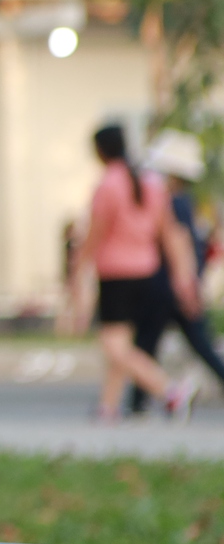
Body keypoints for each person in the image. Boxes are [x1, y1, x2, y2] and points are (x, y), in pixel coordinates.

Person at [67, 123, 196, 422]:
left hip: (117, 275)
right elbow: (168, 234)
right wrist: (182, 277)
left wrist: (78, 270)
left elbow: (94, 234)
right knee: (121, 342)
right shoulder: (150, 183)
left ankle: (170, 391)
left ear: (100, 151)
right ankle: (107, 406)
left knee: (114, 346)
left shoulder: (109, 185)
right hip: (147, 272)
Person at [129, 129, 224, 410]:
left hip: (168, 285)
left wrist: (186, 285)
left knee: (148, 343)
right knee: (191, 343)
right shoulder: (183, 202)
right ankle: (138, 401)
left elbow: (182, 248)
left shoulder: (173, 204)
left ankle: (138, 402)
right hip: (175, 284)